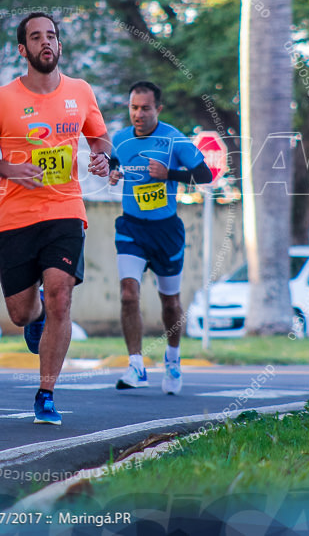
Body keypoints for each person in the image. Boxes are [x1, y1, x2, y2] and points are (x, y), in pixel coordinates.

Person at [0, 12, 111, 425]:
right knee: (20, 313)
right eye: (36, 37)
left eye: (51, 36)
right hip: (15, 216)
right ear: (22, 50)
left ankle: (46, 392)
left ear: (59, 46)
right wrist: (10, 169)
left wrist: (102, 156)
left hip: (66, 209)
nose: (45, 42)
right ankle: (38, 316)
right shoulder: (1, 99)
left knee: (61, 294)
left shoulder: (81, 92)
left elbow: (99, 137)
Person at [108, 81, 212, 395]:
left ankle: (173, 357)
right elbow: (115, 161)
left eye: (145, 108)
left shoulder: (174, 140)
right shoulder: (120, 138)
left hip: (166, 231)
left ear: (158, 109)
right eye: (134, 108)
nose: (138, 114)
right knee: (128, 294)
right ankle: (136, 364)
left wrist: (170, 175)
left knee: (170, 302)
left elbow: (206, 175)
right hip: (131, 228)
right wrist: (112, 171)